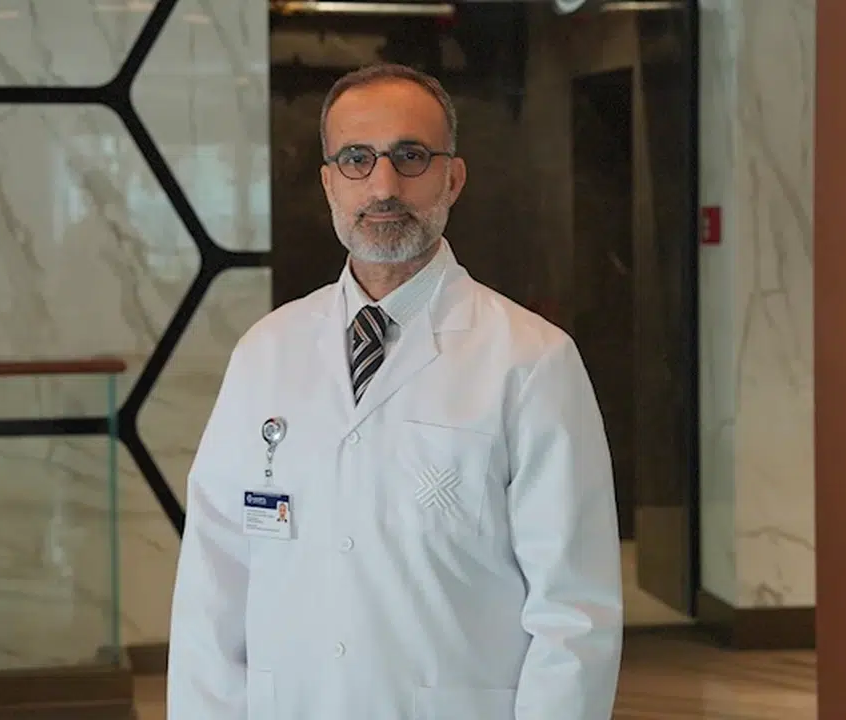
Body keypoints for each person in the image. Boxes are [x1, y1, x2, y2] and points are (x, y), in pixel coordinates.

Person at [167, 62, 623, 720]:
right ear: (329, 181)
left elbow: (573, 613)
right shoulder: (265, 353)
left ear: (452, 178)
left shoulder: (532, 361)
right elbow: (214, 580)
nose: (383, 187)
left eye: (411, 157)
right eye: (357, 159)